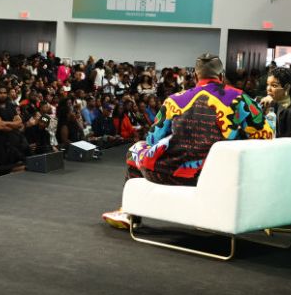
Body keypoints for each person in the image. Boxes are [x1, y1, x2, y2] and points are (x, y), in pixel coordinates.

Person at [102, 53, 273, 229]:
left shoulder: (174, 100)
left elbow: (152, 140)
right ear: (221, 76)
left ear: (195, 76)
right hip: (218, 175)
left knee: (135, 149)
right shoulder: (241, 99)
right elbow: (266, 137)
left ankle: (129, 213)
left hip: (167, 173)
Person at [0, 85, 29, 172]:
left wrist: (5, 123)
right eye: (0, 93)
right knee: (3, 171)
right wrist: (13, 125)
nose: (3, 95)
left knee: (18, 166)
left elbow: (19, 123)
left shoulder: (11, 106)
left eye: (5, 93)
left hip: (13, 143)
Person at [260, 67, 291, 138]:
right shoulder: (265, 105)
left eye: (274, 85)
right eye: (268, 84)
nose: (268, 89)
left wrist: (275, 103)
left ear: (287, 88)